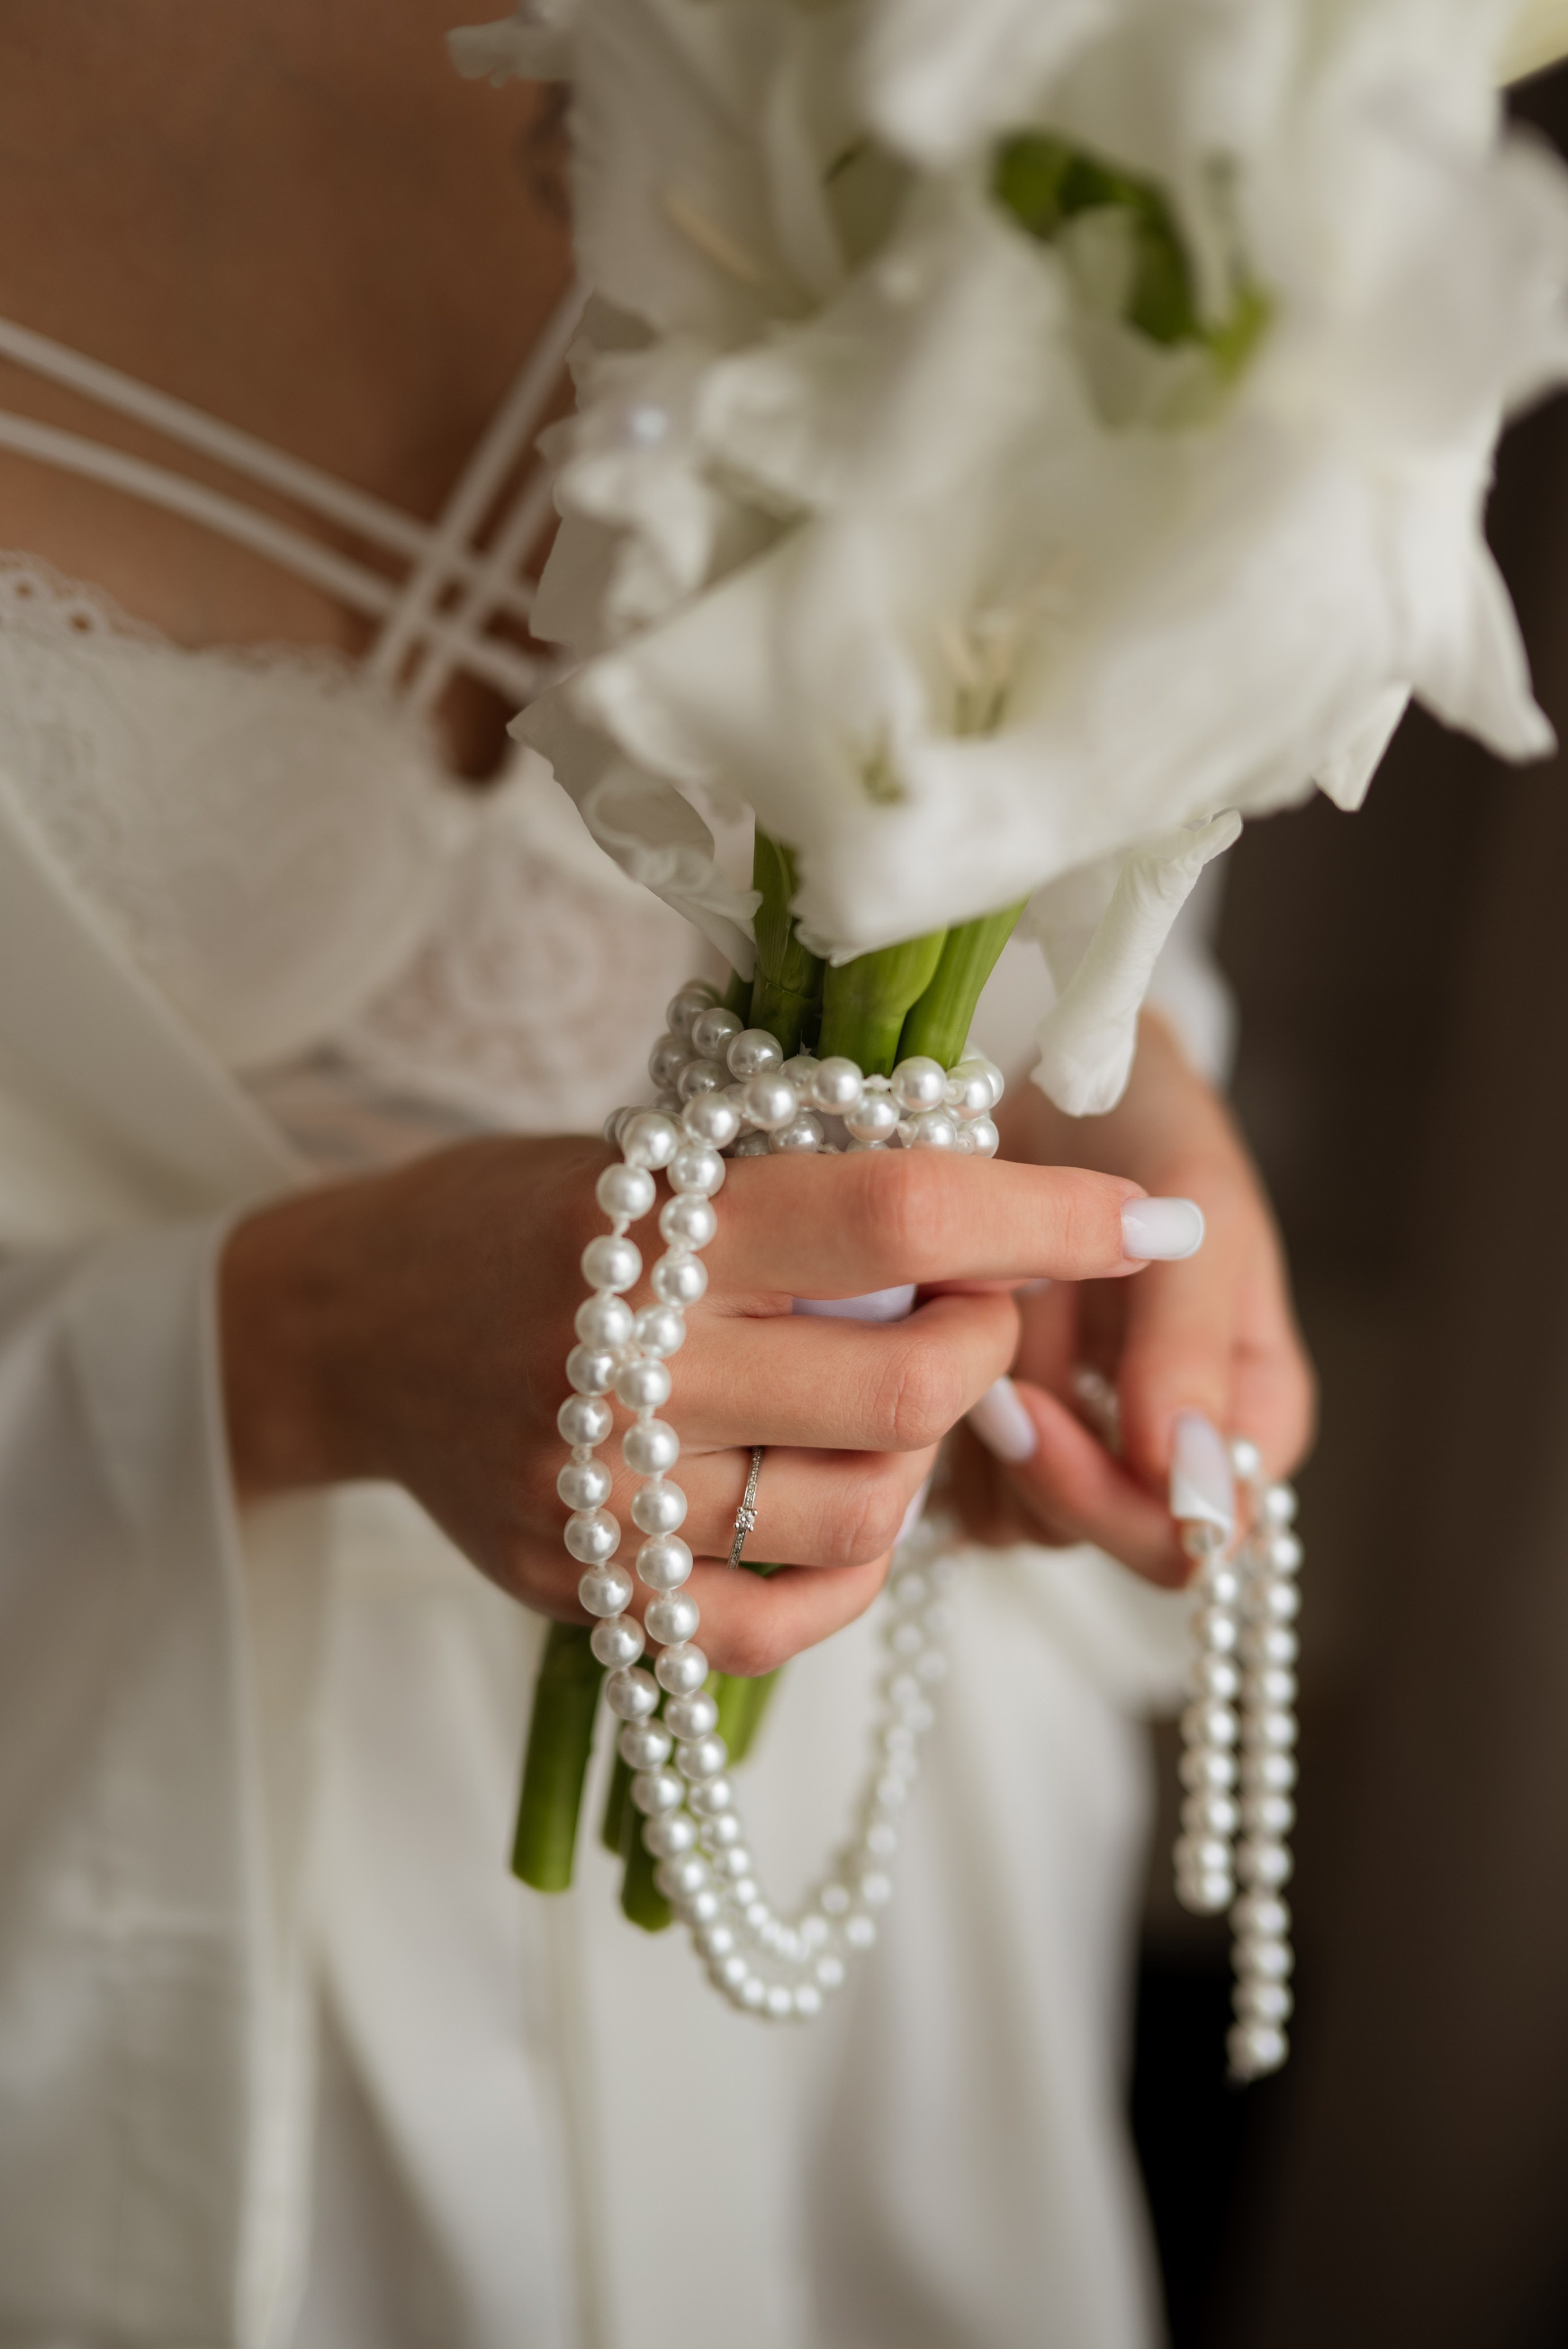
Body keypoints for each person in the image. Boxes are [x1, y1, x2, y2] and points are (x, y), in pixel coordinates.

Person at [0, 8, 1313, 2345]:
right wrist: (286, 1347)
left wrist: (1086, 1067)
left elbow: (1106, 679)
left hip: (869, 1879)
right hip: (138, 1898)